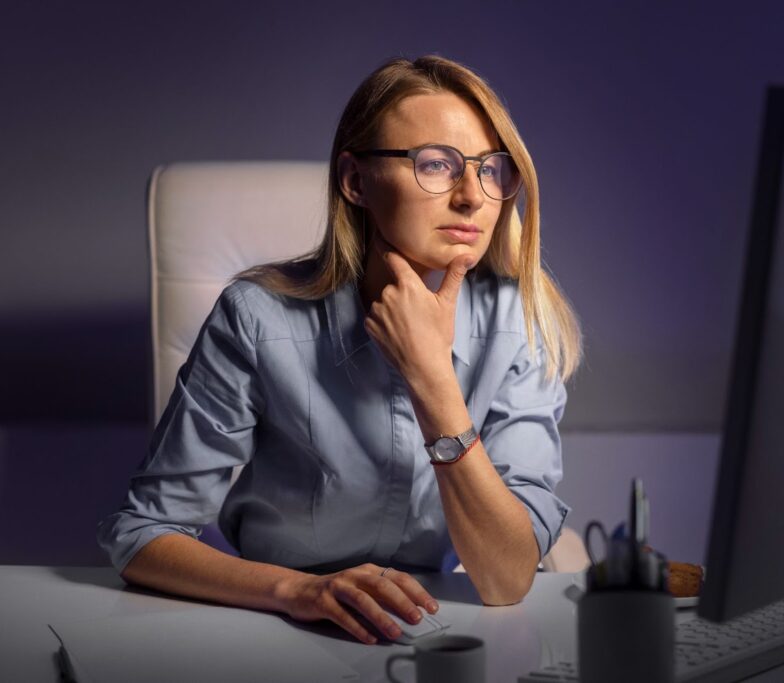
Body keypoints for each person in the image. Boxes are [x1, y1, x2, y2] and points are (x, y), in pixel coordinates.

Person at [96, 55, 582, 646]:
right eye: (435, 164)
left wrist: (432, 382)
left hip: (438, 636)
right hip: (278, 632)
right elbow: (142, 537)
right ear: (355, 180)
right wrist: (299, 592)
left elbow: (505, 581)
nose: (472, 197)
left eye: (490, 169)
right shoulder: (256, 316)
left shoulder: (519, 322)